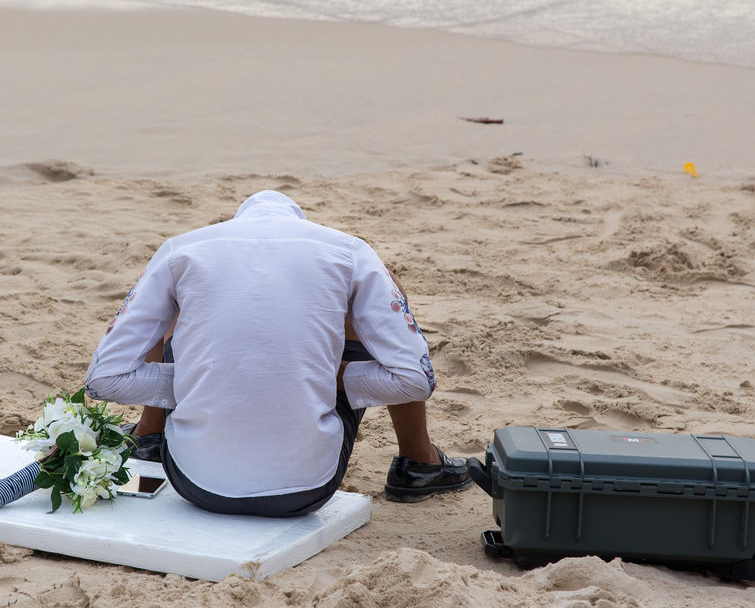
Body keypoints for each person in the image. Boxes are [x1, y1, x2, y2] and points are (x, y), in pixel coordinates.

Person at [84, 190, 469, 517]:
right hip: (305, 489)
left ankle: (150, 434)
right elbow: (416, 380)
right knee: (384, 295)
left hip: (196, 484)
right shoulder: (350, 250)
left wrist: (209, 376)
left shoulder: (181, 249)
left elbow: (103, 380)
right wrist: (316, 373)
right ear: (302, 222)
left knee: (179, 304)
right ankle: (419, 461)